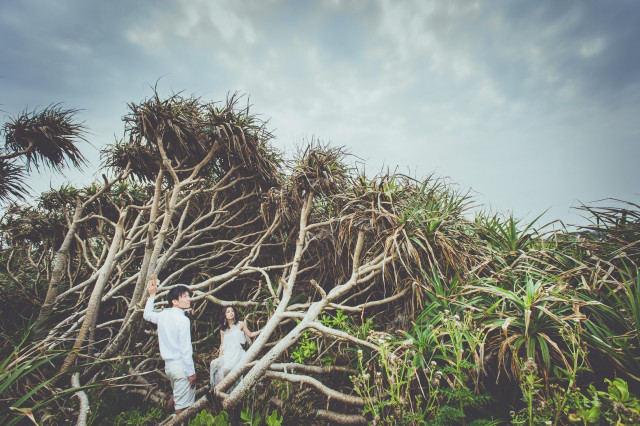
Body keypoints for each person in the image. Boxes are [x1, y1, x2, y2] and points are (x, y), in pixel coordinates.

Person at [143, 276, 196, 414]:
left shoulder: (163, 315)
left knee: (177, 397)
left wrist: (152, 295)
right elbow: (185, 350)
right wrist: (191, 373)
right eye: (184, 296)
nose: (189, 299)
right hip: (181, 367)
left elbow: (147, 315)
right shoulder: (183, 320)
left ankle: (165, 418)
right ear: (174, 302)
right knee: (182, 408)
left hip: (169, 367)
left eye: (188, 296)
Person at [210, 306, 261, 388]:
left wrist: (261, 331)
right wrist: (220, 357)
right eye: (228, 311)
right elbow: (222, 344)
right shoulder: (223, 330)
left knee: (225, 371)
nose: (231, 313)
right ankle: (216, 391)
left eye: (232, 311)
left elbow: (250, 334)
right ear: (224, 315)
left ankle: (229, 390)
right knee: (214, 364)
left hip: (238, 353)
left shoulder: (240, 324)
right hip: (228, 354)